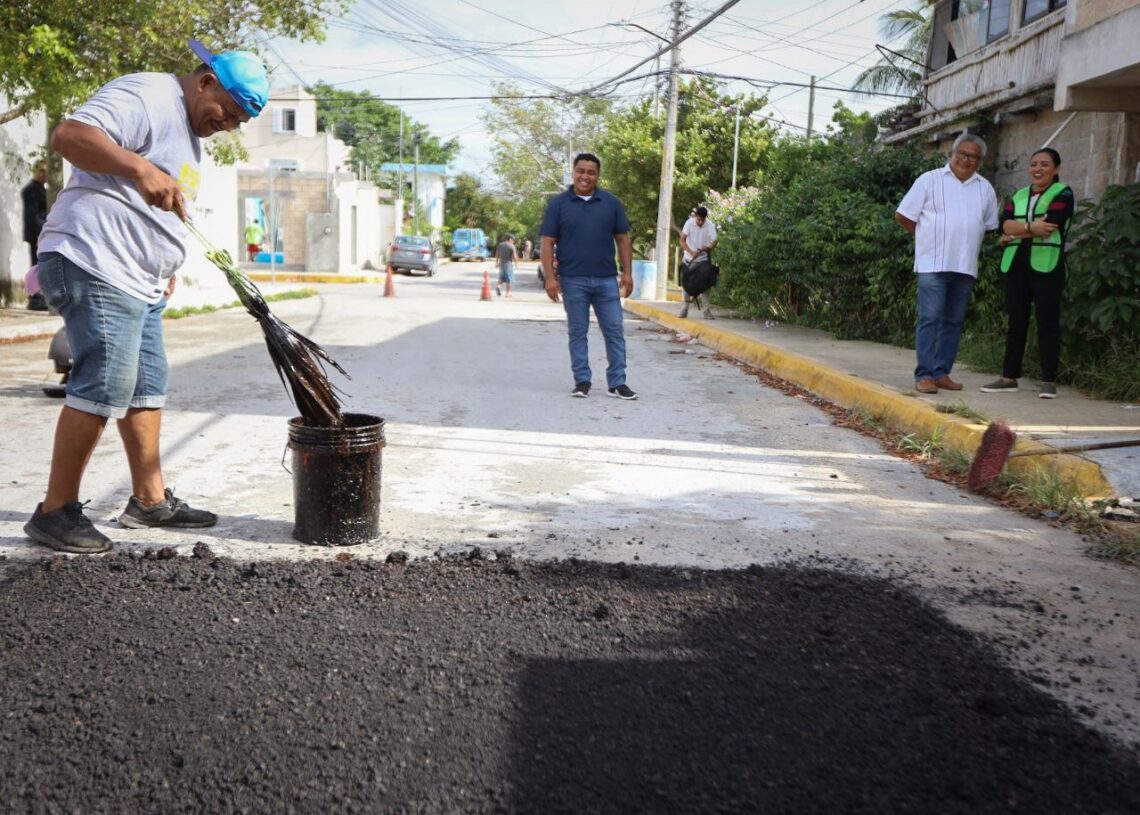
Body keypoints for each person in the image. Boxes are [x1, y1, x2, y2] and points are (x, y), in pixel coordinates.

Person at [24, 39, 269, 554]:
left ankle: (149, 501)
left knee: (147, 385)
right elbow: (70, 136)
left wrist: (164, 262)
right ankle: (54, 511)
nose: (228, 125)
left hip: (141, 278)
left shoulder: (187, 131)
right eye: (228, 112)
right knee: (104, 382)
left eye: (238, 122)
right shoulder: (148, 95)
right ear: (206, 82)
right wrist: (140, 169)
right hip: (95, 260)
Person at [895, 133, 998, 394]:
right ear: (952, 154)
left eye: (973, 156)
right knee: (930, 318)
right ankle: (925, 375)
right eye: (961, 153)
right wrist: (926, 238)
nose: (966, 159)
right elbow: (904, 215)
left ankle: (941, 373)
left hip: (965, 265)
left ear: (980, 161)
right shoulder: (929, 180)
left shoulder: (985, 188)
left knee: (953, 321)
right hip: (932, 264)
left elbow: (988, 226)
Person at [540, 152, 637, 400]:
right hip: (572, 280)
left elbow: (623, 239)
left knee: (614, 331)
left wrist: (627, 273)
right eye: (581, 171)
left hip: (606, 280)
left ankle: (618, 383)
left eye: (591, 172)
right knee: (577, 332)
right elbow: (547, 242)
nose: (585, 176)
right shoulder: (558, 204)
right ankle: (582, 381)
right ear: (573, 173)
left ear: (597, 175)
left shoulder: (611, 203)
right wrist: (550, 278)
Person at [980, 148, 1074, 399]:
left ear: (1056, 169)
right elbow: (1004, 224)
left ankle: (1048, 380)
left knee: (1047, 322)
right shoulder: (1019, 195)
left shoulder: (1063, 193)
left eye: (1044, 164)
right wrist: (1030, 227)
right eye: (1033, 164)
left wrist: (1014, 232)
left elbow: (1050, 225)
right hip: (1016, 264)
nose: (1037, 169)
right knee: (1016, 322)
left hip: (1047, 264)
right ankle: (1009, 377)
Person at [678, 205, 718, 319]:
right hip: (689, 260)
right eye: (699, 219)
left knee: (706, 285)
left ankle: (706, 311)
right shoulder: (689, 223)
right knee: (686, 284)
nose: (700, 222)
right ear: (695, 216)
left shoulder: (709, 225)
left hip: (702, 261)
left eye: (702, 220)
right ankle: (684, 310)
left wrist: (707, 247)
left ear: (705, 218)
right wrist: (691, 252)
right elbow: (682, 240)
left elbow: (714, 241)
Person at [22, 165, 49, 310]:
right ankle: (35, 299)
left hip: (40, 234)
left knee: (40, 266)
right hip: (37, 235)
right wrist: (41, 233)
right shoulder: (32, 190)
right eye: (42, 171)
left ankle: (39, 298)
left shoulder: (39, 189)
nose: (45, 175)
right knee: (36, 266)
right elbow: (33, 216)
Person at [495, 234, 519, 298]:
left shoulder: (500, 245)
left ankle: (498, 286)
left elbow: (497, 254)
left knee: (502, 278)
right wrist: (516, 264)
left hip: (501, 263)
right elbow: (514, 256)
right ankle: (507, 294)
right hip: (508, 264)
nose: (513, 241)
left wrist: (496, 262)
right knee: (509, 279)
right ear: (510, 239)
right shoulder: (512, 246)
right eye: (513, 240)